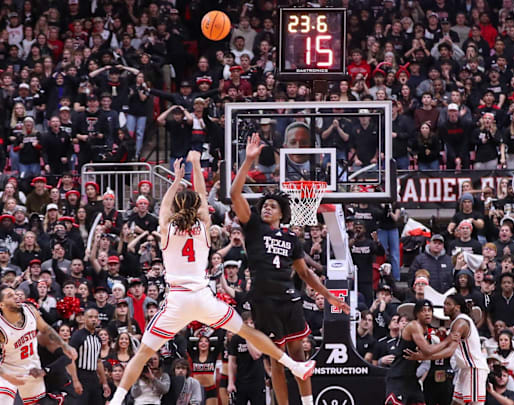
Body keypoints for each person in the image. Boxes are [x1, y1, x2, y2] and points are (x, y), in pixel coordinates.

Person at [109, 151, 323, 405]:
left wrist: (176, 179)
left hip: (177, 300)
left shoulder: (166, 227)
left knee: (142, 354)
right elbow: (201, 195)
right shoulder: (203, 227)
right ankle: (294, 366)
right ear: (197, 210)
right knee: (246, 331)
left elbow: (166, 206)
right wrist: (197, 165)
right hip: (202, 297)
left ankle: (116, 400)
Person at [230, 134, 350, 405]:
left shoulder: (292, 239)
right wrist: (249, 160)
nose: (267, 208)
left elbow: (306, 274)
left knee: (300, 356)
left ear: (282, 213)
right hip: (264, 301)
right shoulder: (253, 228)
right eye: (265, 206)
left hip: (289, 298)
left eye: (272, 206)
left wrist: (330, 296)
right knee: (276, 362)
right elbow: (235, 193)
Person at [0, 287, 76, 405]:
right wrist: (5, 375)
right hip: (8, 371)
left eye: (15, 293)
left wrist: (64, 345)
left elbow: (45, 329)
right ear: (2, 305)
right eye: (10, 295)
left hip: (32, 370)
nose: (16, 296)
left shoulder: (30, 311)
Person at [405, 294, 489, 405]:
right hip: (465, 369)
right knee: (456, 403)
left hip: (474, 368)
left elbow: (449, 351)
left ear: (457, 308)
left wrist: (424, 356)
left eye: (448, 304)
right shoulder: (456, 323)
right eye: (444, 304)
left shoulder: (460, 323)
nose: (444, 306)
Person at [385, 300, 435, 405]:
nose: (427, 313)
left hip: (411, 379)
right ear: (416, 314)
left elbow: (429, 355)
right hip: (398, 378)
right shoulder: (414, 326)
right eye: (423, 311)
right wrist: (449, 341)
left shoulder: (428, 331)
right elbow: (428, 350)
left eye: (429, 310)